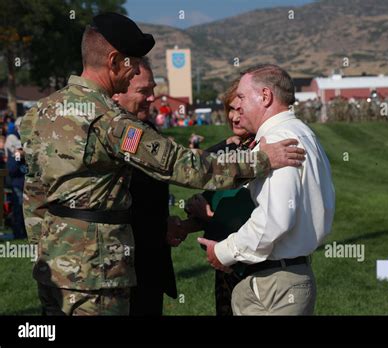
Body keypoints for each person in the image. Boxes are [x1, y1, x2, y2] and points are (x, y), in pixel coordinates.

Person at [20, 13, 305, 316]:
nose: (134, 76)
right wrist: (262, 160)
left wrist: (44, 249)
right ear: (114, 61)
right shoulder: (110, 121)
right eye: (131, 65)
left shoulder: (39, 114)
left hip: (52, 266)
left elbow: (34, 194)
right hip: (96, 270)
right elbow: (182, 166)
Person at [198, 64, 335, 315]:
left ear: (265, 96)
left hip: (273, 283)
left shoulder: (277, 138)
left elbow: (275, 219)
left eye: (241, 96)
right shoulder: (302, 132)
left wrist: (223, 252)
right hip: (284, 276)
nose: (236, 106)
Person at [170, 79, 257, 315]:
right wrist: (186, 224)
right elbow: (212, 199)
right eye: (230, 109)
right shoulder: (229, 151)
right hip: (225, 266)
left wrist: (210, 218)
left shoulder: (262, 153)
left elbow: (253, 219)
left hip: (252, 269)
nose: (234, 117)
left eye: (240, 109)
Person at [112, 57, 177, 315]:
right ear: (116, 94)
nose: (152, 98)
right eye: (143, 91)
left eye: (152, 90)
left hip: (150, 262)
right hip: (125, 267)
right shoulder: (120, 132)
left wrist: (164, 221)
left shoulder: (145, 128)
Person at [6, 117, 27, 239]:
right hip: (18, 183)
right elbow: (13, 169)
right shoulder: (13, 140)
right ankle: (19, 233)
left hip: (27, 184)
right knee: (18, 210)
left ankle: (24, 233)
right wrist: (19, 156)